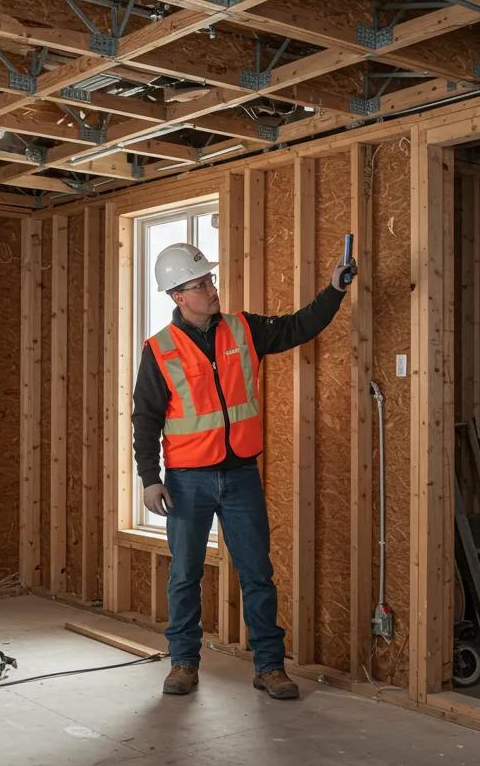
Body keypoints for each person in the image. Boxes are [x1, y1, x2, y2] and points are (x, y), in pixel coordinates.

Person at [132, 240, 357, 699]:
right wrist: (149, 478)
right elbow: (145, 417)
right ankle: (183, 664)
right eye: (201, 284)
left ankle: (270, 667)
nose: (212, 290)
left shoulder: (243, 330)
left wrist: (334, 290)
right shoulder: (159, 350)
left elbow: (298, 327)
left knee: (257, 572)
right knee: (185, 575)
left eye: (210, 280)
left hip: (240, 476)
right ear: (177, 295)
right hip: (186, 481)